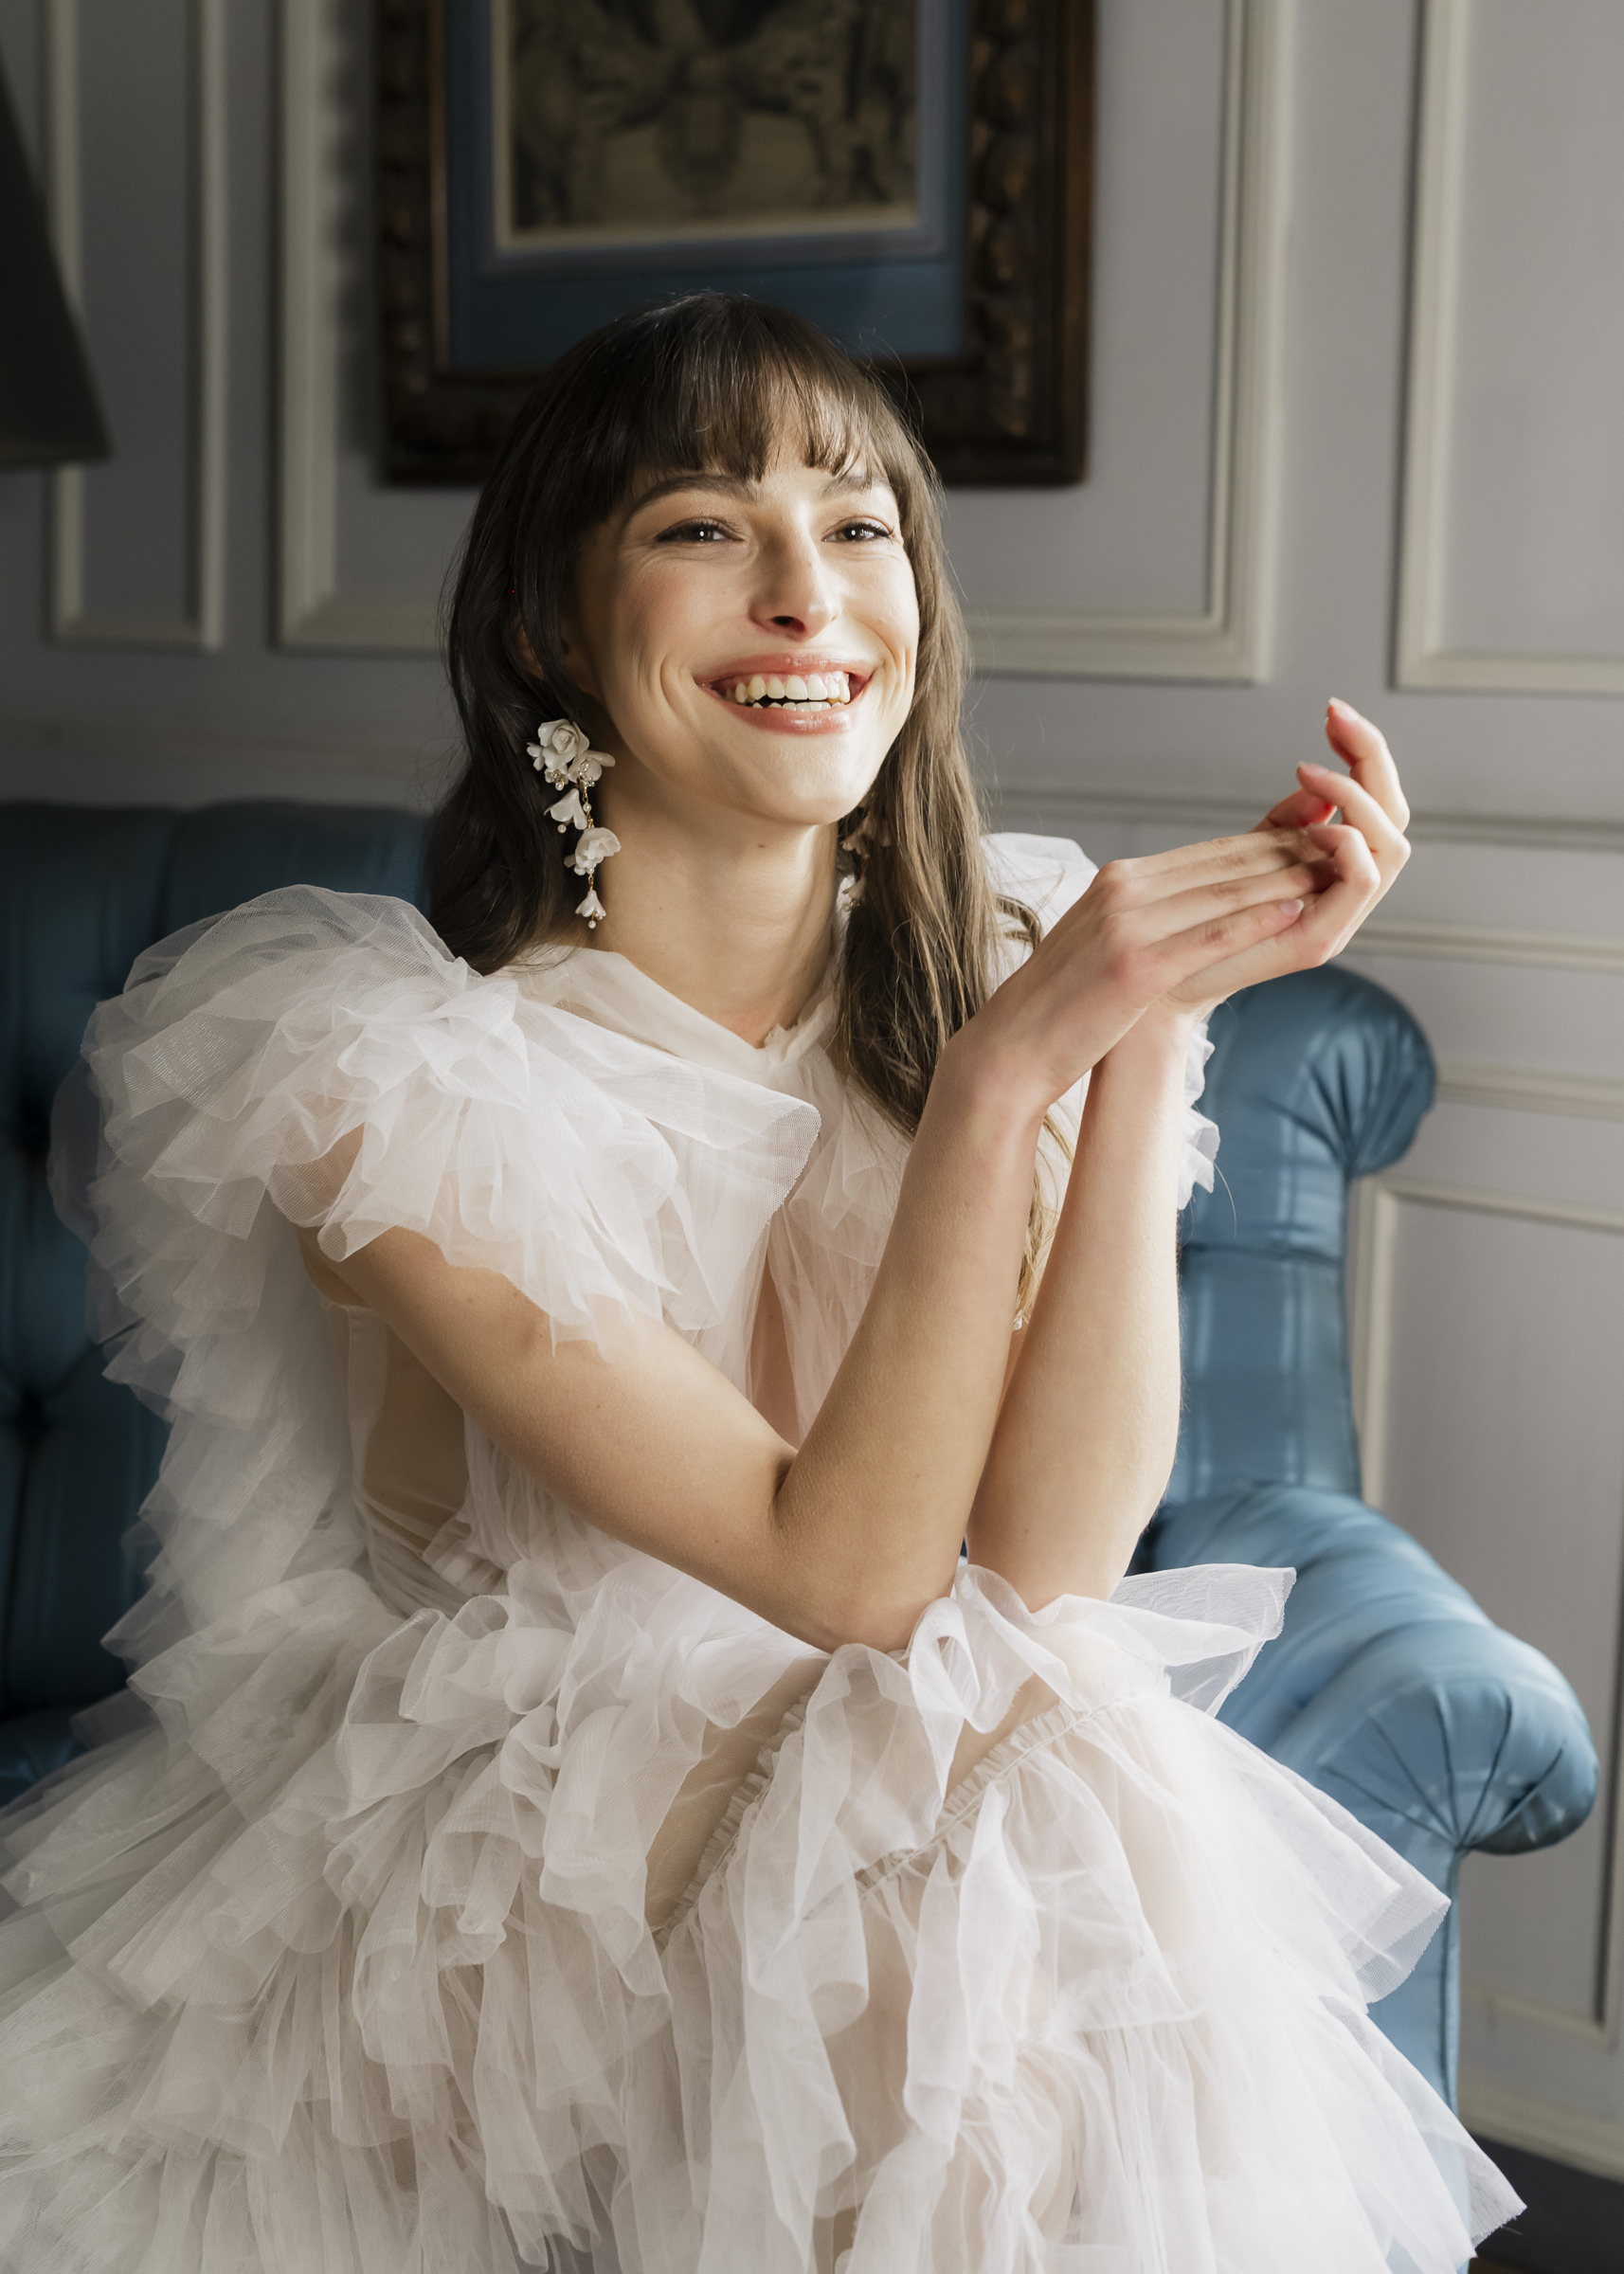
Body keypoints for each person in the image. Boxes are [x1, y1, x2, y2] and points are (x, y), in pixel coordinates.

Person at [0, 295, 1515, 2272]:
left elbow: (1048, 1563)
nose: (807, 595)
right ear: (551, 624)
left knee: (1036, 1761)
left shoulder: (1009, 965)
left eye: (859, 525)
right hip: (489, 1854)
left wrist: (1147, 1036)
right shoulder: (391, 1090)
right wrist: (1002, 1076)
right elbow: (852, 1580)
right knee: (990, 1818)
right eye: (703, 526)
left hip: (901, 1801)